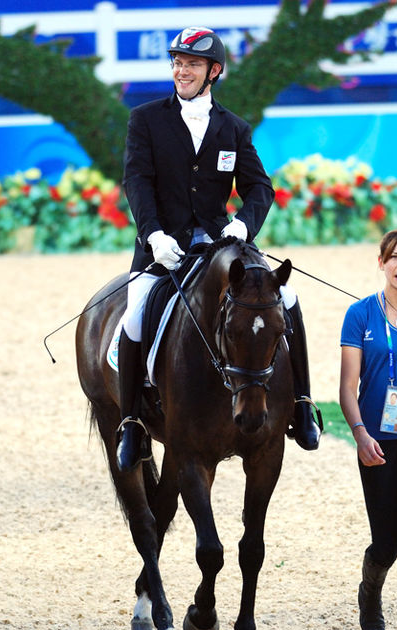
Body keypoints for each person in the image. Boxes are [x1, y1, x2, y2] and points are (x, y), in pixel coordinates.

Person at [115, 26, 321, 472]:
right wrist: (153, 235)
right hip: (162, 246)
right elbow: (137, 181)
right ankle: (132, 419)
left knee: (289, 299)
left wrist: (242, 227)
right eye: (177, 62)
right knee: (135, 312)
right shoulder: (146, 120)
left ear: (214, 71)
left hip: (219, 246)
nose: (180, 70)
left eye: (191, 64)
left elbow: (260, 187)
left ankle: (302, 404)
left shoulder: (233, 128)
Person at [339, 227, 397, 630]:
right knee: (388, 542)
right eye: (395, 256)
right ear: (382, 263)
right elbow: (347, 387)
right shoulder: (359, 315)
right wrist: (359, 434)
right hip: (377, 443)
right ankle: (370, 591)